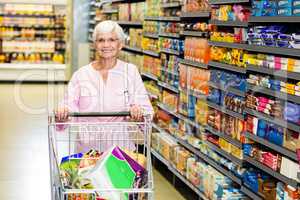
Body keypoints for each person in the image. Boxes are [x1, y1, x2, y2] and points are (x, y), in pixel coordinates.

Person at [54, 20, 153, 153]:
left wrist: (138, 112)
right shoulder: (81, 75)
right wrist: (63, 112)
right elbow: (68, 105)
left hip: (121, 151)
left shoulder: (130, 71)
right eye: (101, 40)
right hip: (88, 153)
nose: (106, 45)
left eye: (112, 39)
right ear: (95, 44)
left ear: (120, 44)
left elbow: (147, 111)